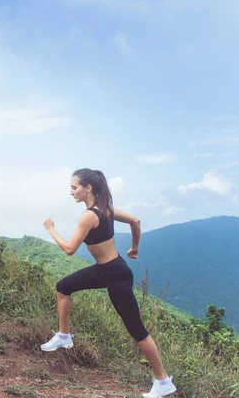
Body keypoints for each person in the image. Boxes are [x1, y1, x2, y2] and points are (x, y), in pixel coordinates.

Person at [40, 168, 177, 398]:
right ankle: (64, 336)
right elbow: (135, 220)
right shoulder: (106, 209)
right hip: (107, 270)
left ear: (88, 188)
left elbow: (69, 250)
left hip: (115, 275)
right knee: (63, 286)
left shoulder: (89, 216)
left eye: (74, 187)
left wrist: (51, 229)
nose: (71, 192)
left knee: (137, 330)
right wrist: (135, 246)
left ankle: (163, 381)